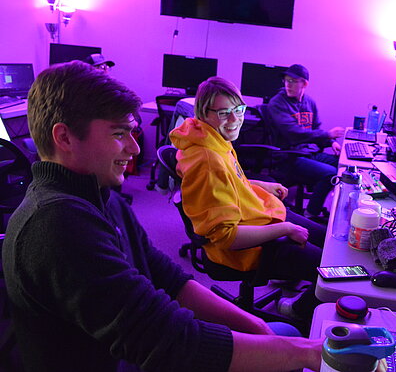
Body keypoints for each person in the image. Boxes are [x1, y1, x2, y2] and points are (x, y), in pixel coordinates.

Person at [2, 61, 323, 372]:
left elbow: (167, 278)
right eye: (119, 134)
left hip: (144, 352)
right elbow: (167, 341)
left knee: (281, 333)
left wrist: (255, 324)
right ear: (65, 138)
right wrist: (303, 353)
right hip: (130, 361)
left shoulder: (104, 199)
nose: (135, 149)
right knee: (289, 342)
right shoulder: (56, 225)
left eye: (132, 132)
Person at [170, 77, 325, 322]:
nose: (234, 119)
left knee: (327, 240)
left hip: (258, 214)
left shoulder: (208, 136)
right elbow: (227, 238)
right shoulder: (208, 161)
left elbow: (227, 182)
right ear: (203, 113)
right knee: (329, 272)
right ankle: (298, 309)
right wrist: (285, 228)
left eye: (238, 109)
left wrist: (259, 185)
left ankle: (293, 277)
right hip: (245, 249)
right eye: (224, 113)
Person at [266, 64, 344, 222]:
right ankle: (310, 215)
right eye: (286, 80)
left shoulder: (309, 102)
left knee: (344, 166)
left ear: (305, 84)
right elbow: (293, 133)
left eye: (293, 81)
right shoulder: (277, 103)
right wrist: (327, 135)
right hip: (289, 156)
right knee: (330, 173)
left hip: (309, 152)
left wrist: (331, 142)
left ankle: (331, 210)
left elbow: (315, 129)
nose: (288, 84)